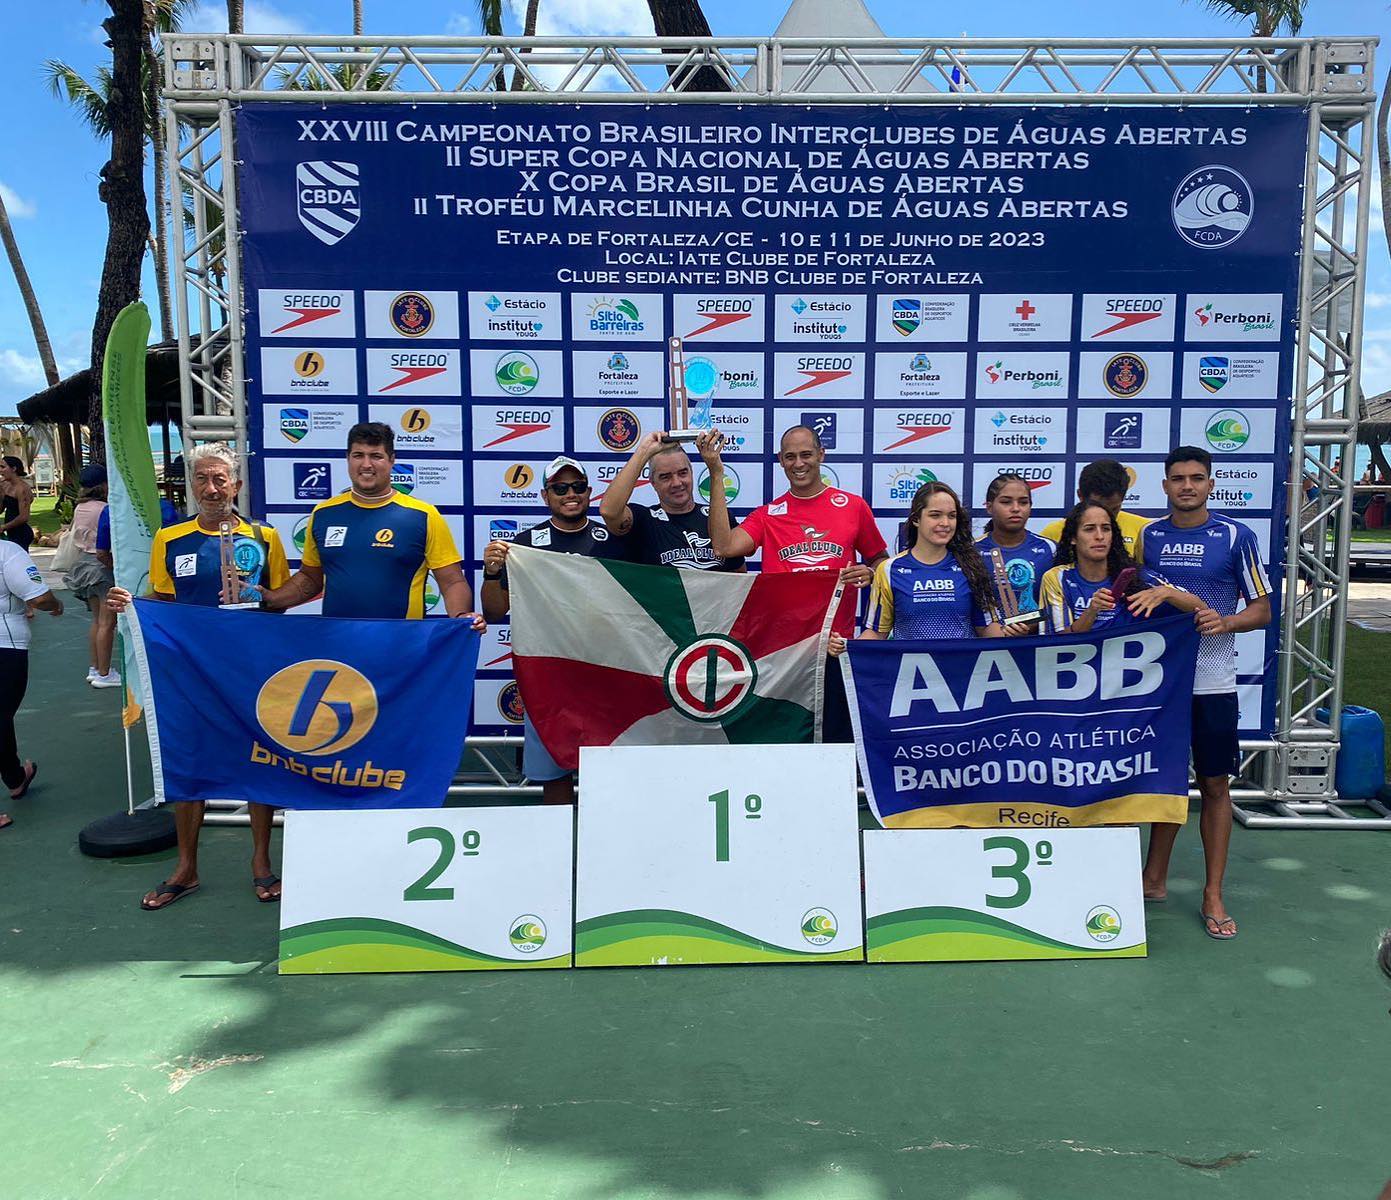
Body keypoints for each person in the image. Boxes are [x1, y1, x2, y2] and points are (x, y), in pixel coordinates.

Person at [105, 444, 292, 908]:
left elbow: (281, 601)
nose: (211, 489)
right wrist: (131, 604)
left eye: (220, 479)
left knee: (257, 759)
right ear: (192, 485)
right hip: (192, 674)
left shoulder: (265, 536)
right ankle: (186, 868)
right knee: (189, 763)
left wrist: (259, 597)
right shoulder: (170, 539)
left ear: (237, 485)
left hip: (250, 670)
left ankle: (261, 863)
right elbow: (163, 602)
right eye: (203, 479)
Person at [1138, 446, 1272, 941]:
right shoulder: (1149, 537)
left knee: (1214, 785)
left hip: (1212, 680)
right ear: (1165, 486)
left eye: (1197, 478)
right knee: (1164, 782)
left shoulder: (1236, 536)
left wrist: (1227, 622)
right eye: (1178, 479)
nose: (1187, 486)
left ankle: (1213, 893)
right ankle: (1153, 879)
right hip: (1159, 682)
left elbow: (1263, 610)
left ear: (1211, 484)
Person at [700, 424, 888, 740]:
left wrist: (871, 574)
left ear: (821, 455)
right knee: (784, 746)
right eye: (790, 457)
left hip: (833, 650)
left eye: (806, 455)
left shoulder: (853, 507)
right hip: (782, 655)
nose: (798, 464)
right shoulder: (769, 514)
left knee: (835, 743)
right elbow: (723, 546)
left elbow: (881, 561)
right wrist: (716, 473)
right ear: (780, 460)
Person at [481, 456, 628, 804]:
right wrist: (491, 572)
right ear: (545, 496)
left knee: (608, 771)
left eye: (578, 486)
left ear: (589, 492)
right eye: (560, 488)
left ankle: (605, 836)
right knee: (554, 774)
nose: (570, 494)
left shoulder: (614, 540)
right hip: (550, 676)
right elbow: (495, 611)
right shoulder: (525, 545)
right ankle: (562, 838)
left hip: (606, 671)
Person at [257, 422, 484, 627]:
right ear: (348, 458)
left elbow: (452, 581)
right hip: (340, 646)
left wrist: (461, 617)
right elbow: (310, 578)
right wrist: (271, 598)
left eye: (376, 456)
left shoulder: (422, 515)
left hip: (401, 644)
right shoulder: (324, 513)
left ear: (392, 460)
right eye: (358, 455)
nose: (366, 464)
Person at [856, 481, 1001, 645]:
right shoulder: (889, 570)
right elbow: (876, 634)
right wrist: (846, 647)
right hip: (910, 662)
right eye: (935, 515)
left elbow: (987, 629)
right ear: (916, 519)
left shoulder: (971, 567)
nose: (945, 523)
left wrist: (1015, 641)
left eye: (951, 516)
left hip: (964, 662)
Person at [1040, 501, 1199, 635]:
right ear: (1073, 538)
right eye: (1089, 529)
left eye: (1106, 528)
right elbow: (1057, 642)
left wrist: (1166, 593)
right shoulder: (1057, 577)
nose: (1100, 536)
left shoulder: (1134, 575)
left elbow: (1199, 608)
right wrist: (1091, 611)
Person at [599, 431, 744, 571]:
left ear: (691, 473)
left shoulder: (718, 518)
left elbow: (738, 578)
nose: (676, 483)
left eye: (682, 473)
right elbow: (609, 511)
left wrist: (716, 471)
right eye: (665, 477)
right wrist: (643, 451)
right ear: (653, 482)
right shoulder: (643, 520)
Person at [0, 540, 63, 831]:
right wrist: (56, 604)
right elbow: (39, 598)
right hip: (6, 645)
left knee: (2, 717)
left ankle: (15, 777)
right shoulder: (7, 552)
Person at [975, 472, 1055, 635]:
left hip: (1040, 646)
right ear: (989, 507)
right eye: (1006, 502)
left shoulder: (1049, 549)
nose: (1016, 508)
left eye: (1023, 502)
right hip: (990, 645)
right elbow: (968, 609)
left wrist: (1030, 624)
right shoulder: (972, 551)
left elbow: (1059, 604)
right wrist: (992, 632)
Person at [64, 465, 119, 688]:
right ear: (103, 484)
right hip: (101, 568)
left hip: (84, 566)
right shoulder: (104, 509)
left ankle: (95, 667)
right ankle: (104, 673)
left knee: (97, 620)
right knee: (108, 622)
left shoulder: (80, 508)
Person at [1040, 459, 1150, 558]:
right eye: (1098, 508)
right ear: (1080, 496)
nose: (1106, 517)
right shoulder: (1053, 533)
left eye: (1113, 510)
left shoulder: (1145, 530)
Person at [0, 456, 35, 550]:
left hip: (21, 533)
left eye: (3, 467)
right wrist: (1, 494)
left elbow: (24, 517)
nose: (0, 470)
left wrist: (4, 527)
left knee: (19, 557)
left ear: (14, 469)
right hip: (10, 531)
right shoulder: (5, 485)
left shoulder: (22, 489)